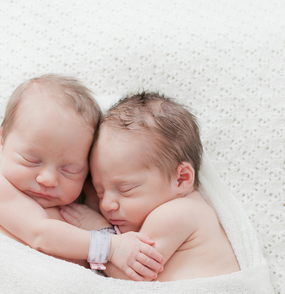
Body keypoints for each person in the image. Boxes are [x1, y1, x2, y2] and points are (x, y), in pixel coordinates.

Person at [0, 75, 165, 281]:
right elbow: (41, 235)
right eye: (32, 160)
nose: (48, 179)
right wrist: (112, 247)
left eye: (69, 170)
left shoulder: (83, 201)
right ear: (2, 142)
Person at [61, 91, 240, 281]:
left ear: (181, 179)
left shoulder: (176, 213)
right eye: (100, 191)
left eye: (125, 189)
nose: (106, 205)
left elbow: (130, 275)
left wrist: (100, 232)